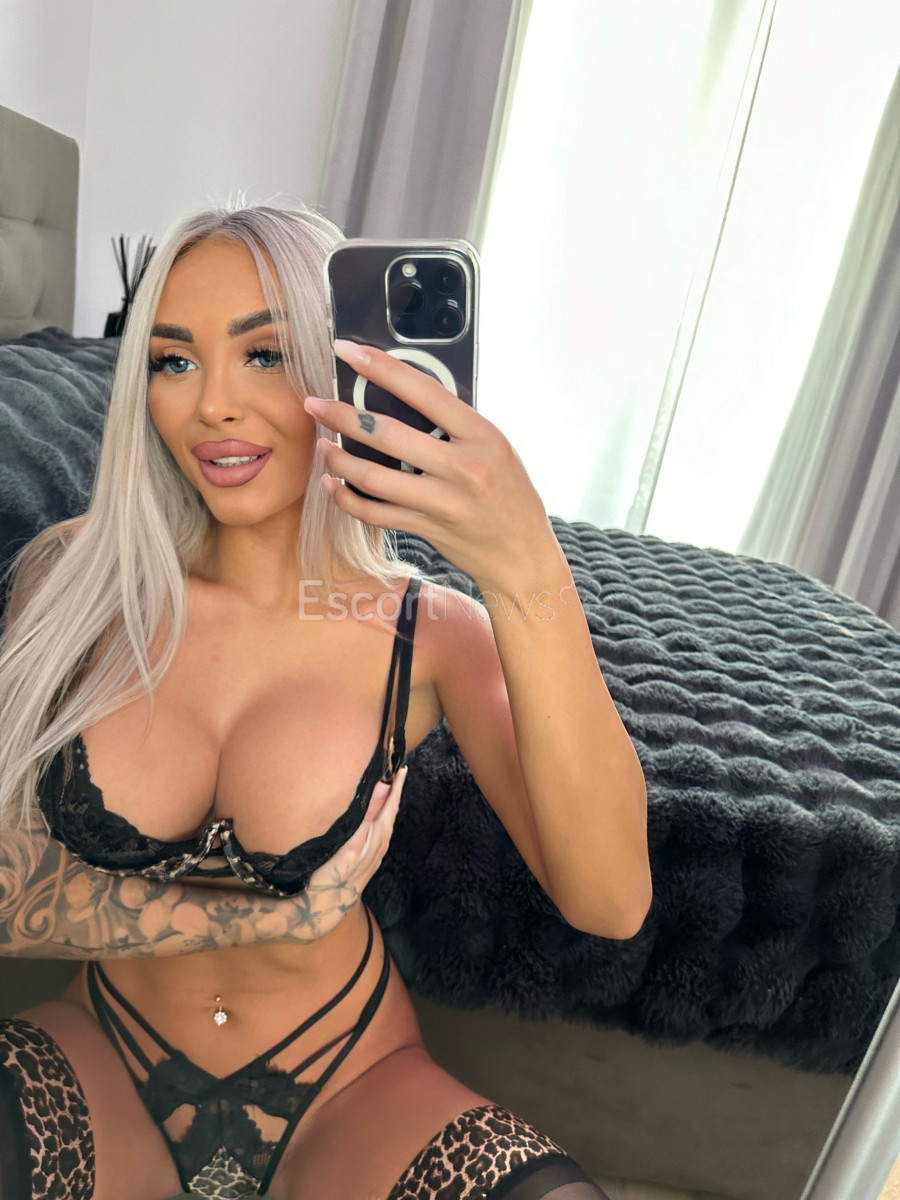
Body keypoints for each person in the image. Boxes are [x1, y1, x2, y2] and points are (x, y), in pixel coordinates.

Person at [0, 203, 650, 1200]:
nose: (213, 404)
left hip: (347, 1086)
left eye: (263, 354)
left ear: (344, 370)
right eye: (174, 361)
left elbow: (609, 901)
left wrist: (526, 567)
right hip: (103, 1057)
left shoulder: (430, 633)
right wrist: (270, 916)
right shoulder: (78, 581)